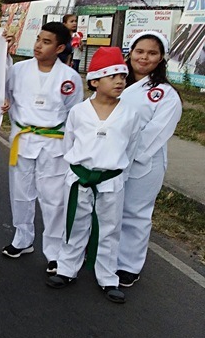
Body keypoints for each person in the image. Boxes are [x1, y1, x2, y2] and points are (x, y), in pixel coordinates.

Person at [46, 47, 141, 304]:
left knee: (109, 229)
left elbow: (130, 148)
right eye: (113, 76)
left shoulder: (130, 113)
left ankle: (107, 277)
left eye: (123, 76)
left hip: (110, 180)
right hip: (79, 177)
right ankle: (67, 268)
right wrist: (78, 169)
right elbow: (69, 143)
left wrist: (116, 173)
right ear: (95, 81)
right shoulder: (78, 111)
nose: (120, 81)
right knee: (74, 224)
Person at [2, 22, 83, 274]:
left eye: (46, 42)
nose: (38, 45)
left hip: (54, 142)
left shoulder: (69, 77)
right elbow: (6, 96)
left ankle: (54, 251)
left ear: (59, 48)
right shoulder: (18, 69)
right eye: (38, 39)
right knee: (20, 192)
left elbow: (74, 113)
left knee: (53, 198)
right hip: (23, 138)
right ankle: (22, 238)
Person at [117, 31, 182, 288]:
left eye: (152, 53)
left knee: (135, 213)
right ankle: (104, 253)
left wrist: (126, 153)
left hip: (143, 163)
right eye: (140, 51)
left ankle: (128, 265)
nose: (144, 57)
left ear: (161, 58)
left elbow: (156, 133)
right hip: (108, 159)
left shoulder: (166, 94)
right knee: (108, 209)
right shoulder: (115, 81)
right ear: (130, 53)